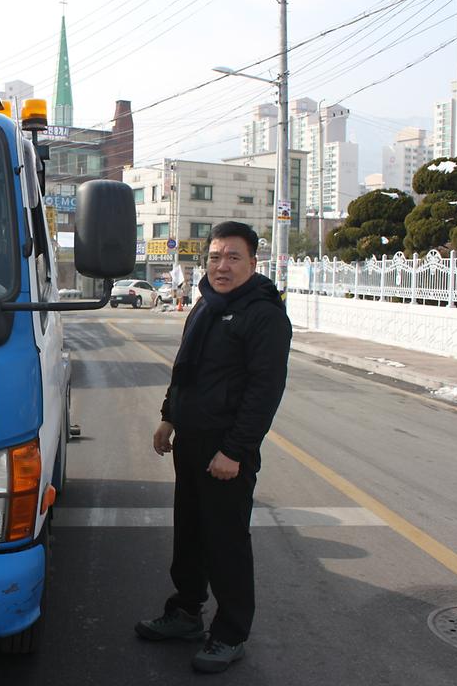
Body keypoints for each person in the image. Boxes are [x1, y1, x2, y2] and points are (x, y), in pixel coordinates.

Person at [134, 220, 292, 674]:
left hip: (226, 450)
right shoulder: (206, 305)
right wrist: (169, 416)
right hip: (191, 440)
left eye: (233, 257)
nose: (221, 266)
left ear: (253, 262)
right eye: (215, 257)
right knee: (190, 534)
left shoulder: (263, 314)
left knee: (226, 543)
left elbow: (264, 391)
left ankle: (230, 633)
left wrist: (236, 451)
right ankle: (185, 613)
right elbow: (185, 368)